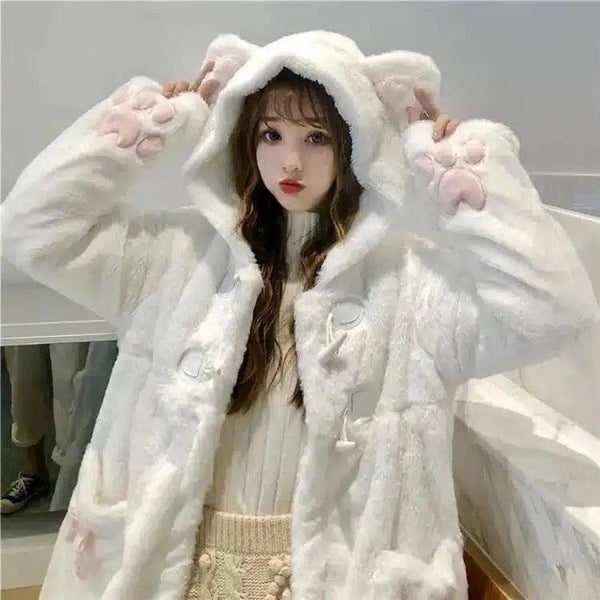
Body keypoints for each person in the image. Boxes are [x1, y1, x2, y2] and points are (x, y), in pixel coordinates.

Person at [1, 31, 598, 600]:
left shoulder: (409, 284)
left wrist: (459, 165)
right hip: (171, 573)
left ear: (356, 144)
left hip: (334, 581)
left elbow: (550, 313)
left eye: (317, 138)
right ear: (244, 138)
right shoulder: (175, 258)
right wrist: (149, 122)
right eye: (271, 134)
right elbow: (32, 230)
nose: (290, 161)